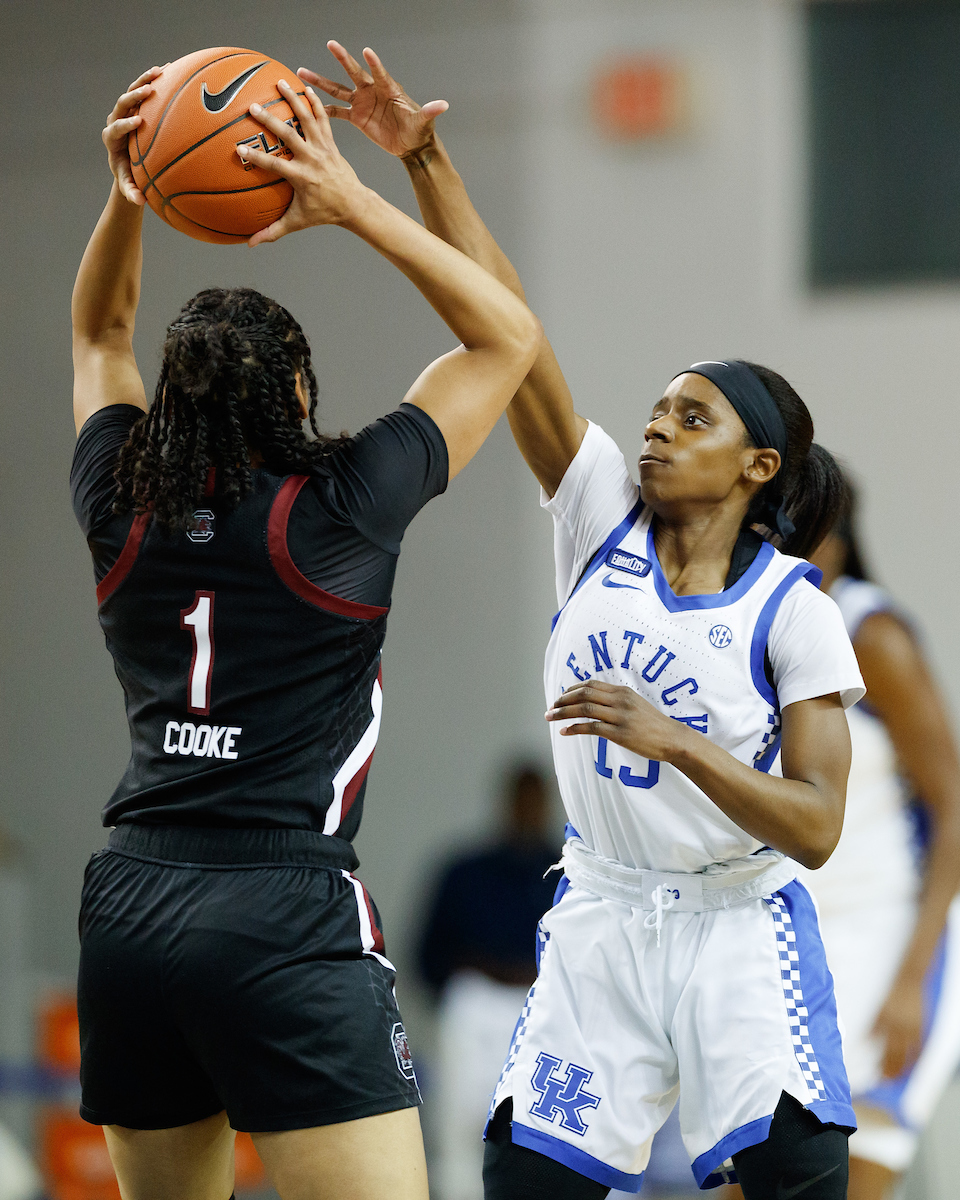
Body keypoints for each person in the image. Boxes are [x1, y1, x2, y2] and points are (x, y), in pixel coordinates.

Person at [299, 42, 865, 1200]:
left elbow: (817, 827)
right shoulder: (600, 513)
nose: (656, 427)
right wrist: (424, 162)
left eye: (693, 418)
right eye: (657, 409)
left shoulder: (791, 610)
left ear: (757, 465)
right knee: (523, 1183)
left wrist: (677, 742)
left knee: (802, 1183)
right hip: (603, 914)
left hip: (735, 923)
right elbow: (509, 325)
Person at [70, 65, 541, 1200]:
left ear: (167, 402)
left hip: (130, 903)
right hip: (281, 906)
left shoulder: (118, 499)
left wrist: (132, 190)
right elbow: (506, 339)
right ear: (297, 391)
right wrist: (353, 200)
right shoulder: (340, 506)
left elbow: (100, 333)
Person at [788, 481, 958, 1200]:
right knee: (759, 1176)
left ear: (834, 540)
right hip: (797, 937)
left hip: (886, 930)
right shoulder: (751, 632)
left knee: (855, 1175)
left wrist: (912, 980)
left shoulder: (872, 635)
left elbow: (954, 806)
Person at [418, 765, 558, 1200]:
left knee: (542, 1132)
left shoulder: (567, 876)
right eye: (521, 799)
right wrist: (480, 970)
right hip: (475, 1005)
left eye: (536, 800)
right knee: (461, 1127)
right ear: (506, 802)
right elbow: (429, 956)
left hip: (543, 1008)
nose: (528, 810)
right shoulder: (466, 871)